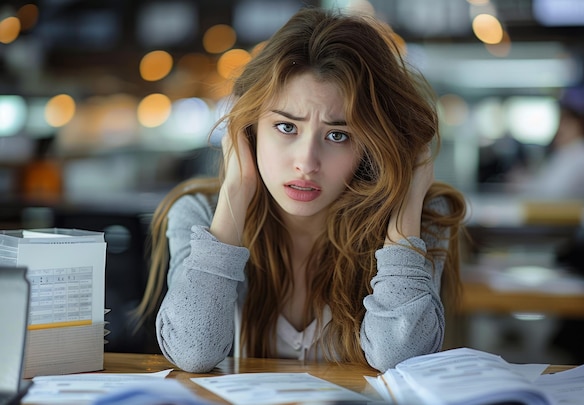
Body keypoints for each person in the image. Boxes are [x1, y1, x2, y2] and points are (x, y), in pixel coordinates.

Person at [132, 6, 466, 373]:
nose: (307, 163)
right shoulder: (200, 214)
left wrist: (406, 199)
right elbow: (192, 352)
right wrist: (236, 192)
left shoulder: (419, 218)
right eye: (287, 128)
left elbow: (401, 358)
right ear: (248, 129)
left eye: (338, 135)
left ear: (371, 146)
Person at [524, 103, 584, 198]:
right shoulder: (566, 152)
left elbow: (555, 191)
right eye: (559, 123)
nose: (559, 130)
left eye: (566, 124)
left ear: (580, 126)